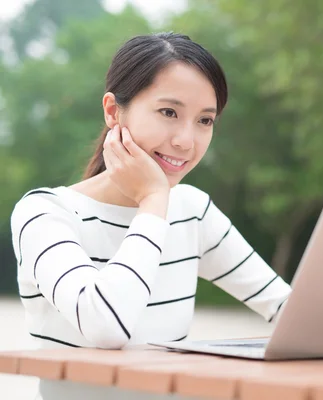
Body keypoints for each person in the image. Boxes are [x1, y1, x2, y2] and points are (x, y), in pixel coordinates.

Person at [10, 32, 291, 399]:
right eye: (169, 112)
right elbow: (106, 326)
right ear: (113, 111)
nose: (186, 141)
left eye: (205, 121)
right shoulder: (45, 214)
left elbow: (288, 311)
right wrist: (153, 200)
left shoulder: (193, 211)